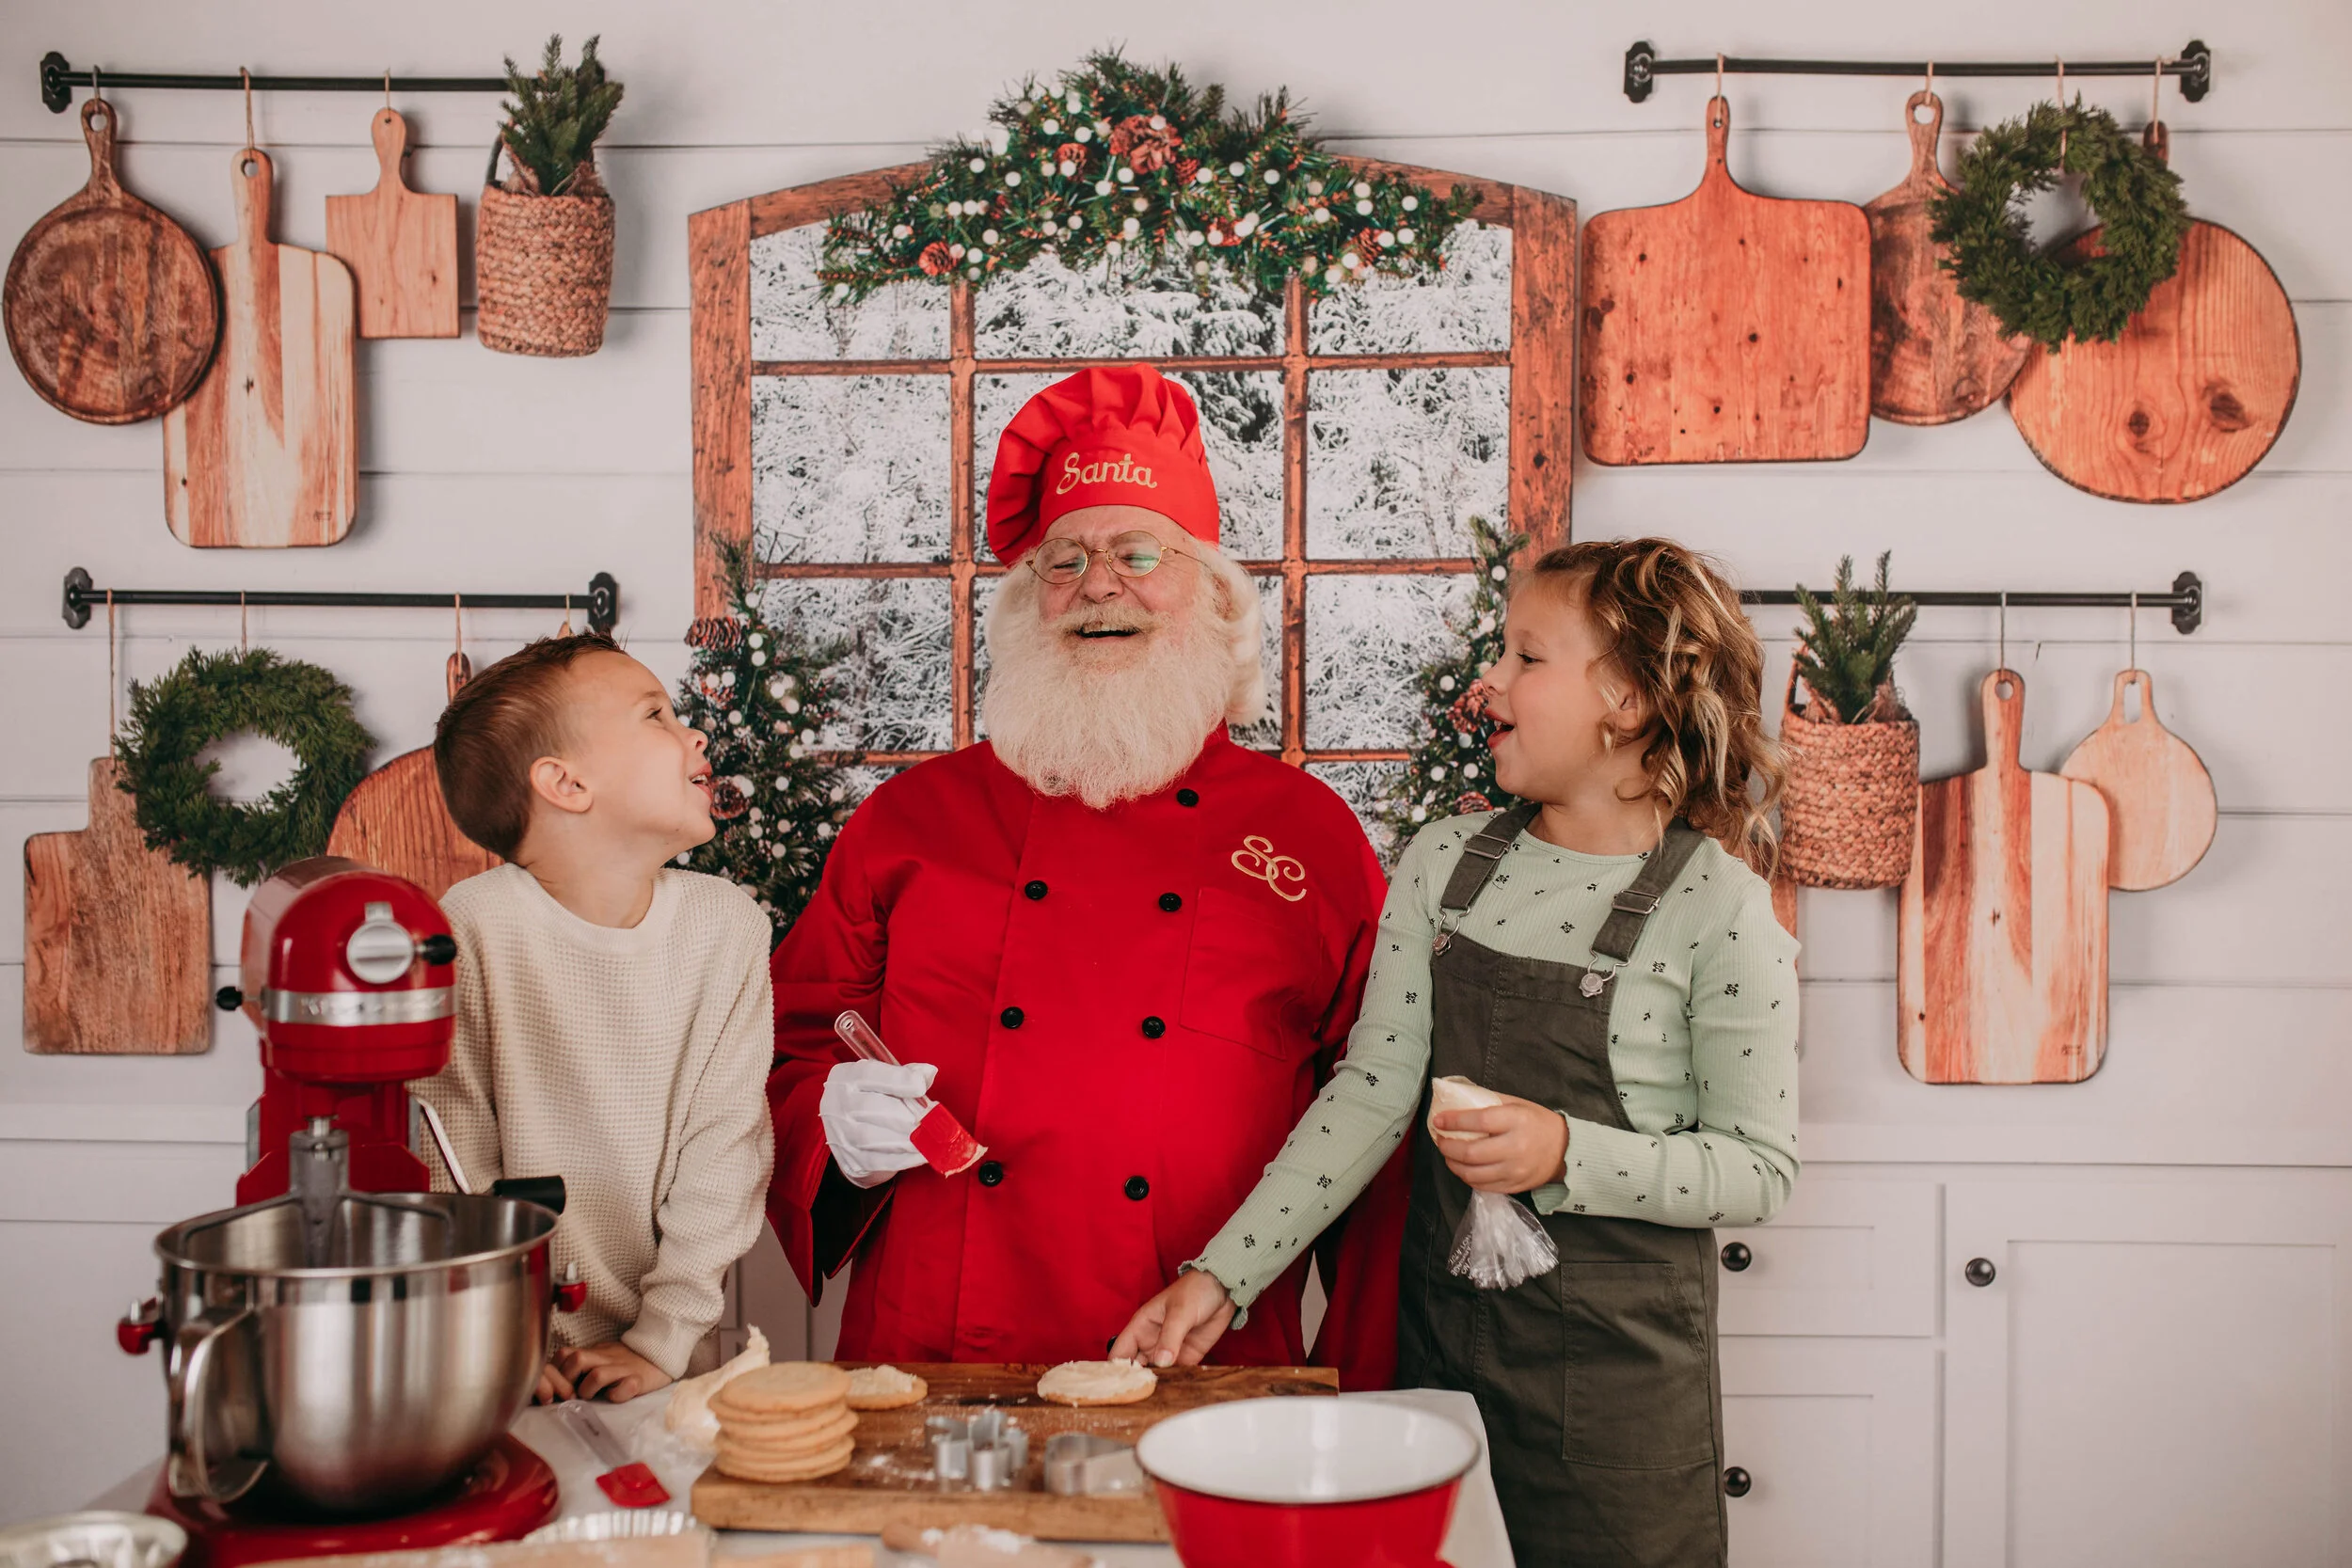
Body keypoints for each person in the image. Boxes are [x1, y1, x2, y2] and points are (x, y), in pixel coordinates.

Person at [1115, 538, 1802, 1567]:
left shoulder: (1718, 907)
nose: (1489, 681)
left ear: (1624, 698)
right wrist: (1221, 1277)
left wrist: (1567, 1148)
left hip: (1618, 1405)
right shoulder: (1448, 861)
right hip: (1440, 1362)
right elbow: (1370, 1091)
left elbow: (1757, 1168)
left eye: (1527, 656)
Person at [764, 365, 1391, 1372]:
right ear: (1027, 604)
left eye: (1141, 551)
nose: (1099, 584)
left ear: (1216, 599)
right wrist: (827, 1119)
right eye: (1063, 560)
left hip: (1201, 1359)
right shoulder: (912, 818)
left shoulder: (1307, 836)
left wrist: (1362, 1375)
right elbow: (787, 1043)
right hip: (932, 1356)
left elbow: (1376, 1110)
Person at [420, 631, 776, 1403]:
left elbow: (726, 1146)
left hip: (653, 1359)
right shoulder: (471, 929)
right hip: (493, 1351)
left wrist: (662, 1338)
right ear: (565, 783)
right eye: (655, 714)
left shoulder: (727, 927)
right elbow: (450, 1157)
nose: (696, 731)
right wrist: (504, 1338)